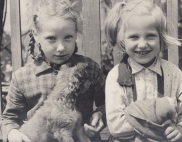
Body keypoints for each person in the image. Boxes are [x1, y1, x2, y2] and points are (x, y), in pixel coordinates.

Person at [1, 0, 106, 142]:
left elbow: (105, 103)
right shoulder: (22, 78)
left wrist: (100, 115)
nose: (61, 47)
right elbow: (9, 117)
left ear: (76, 34)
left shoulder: (89, 68)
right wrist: (12, 133)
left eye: (68, 37)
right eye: (51, 38)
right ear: (36, 35)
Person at [104, 0, 182, 141]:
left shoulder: (173, 74)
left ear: (161, 37)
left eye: (150, 36)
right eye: (134, 37)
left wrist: (181, 129)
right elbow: (116, 125)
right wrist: (158, 120)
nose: (142, 44)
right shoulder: (116, 76)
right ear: (123, 41)